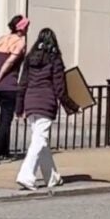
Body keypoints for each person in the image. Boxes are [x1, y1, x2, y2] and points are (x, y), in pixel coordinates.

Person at [15, 28, 77, 190]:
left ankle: (52, 177)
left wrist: (19, 107)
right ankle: (26, 175)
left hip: (30, 100)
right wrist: (72, 106)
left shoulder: (30, 58)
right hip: (46, 101)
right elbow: (59, 87)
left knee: (40, 140)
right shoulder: (54, 58)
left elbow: (23, 83)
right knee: (39, 140)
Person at [0, 15, 30, 161]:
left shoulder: (1, 39)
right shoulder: (20, 42)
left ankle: (2, 150)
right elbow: (9, 63)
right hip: (8, 85)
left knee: (4, 118)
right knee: (6, 119)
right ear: (22, 28)